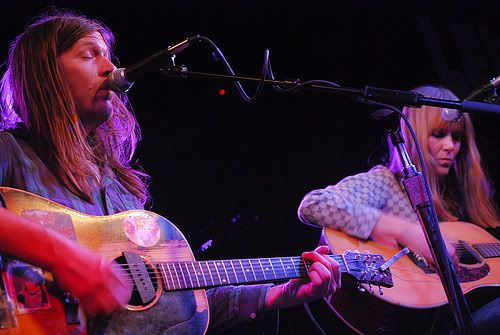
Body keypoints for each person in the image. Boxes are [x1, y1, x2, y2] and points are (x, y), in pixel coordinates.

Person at [0, 10, 341, 334]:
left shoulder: (121, 191)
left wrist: (278, 294)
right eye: (90, 55)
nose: (110, 67)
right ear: (45, 74)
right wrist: (62, 256)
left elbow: (176, 309)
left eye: (108, 55)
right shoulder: (11, 152)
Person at [298, 84, 500, 334]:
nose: (450, 146)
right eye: (438, 134)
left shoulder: (457, 200)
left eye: (456, 137)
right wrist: (406, 232)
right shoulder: (386, 183)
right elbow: (315, 204)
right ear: (414, 134)